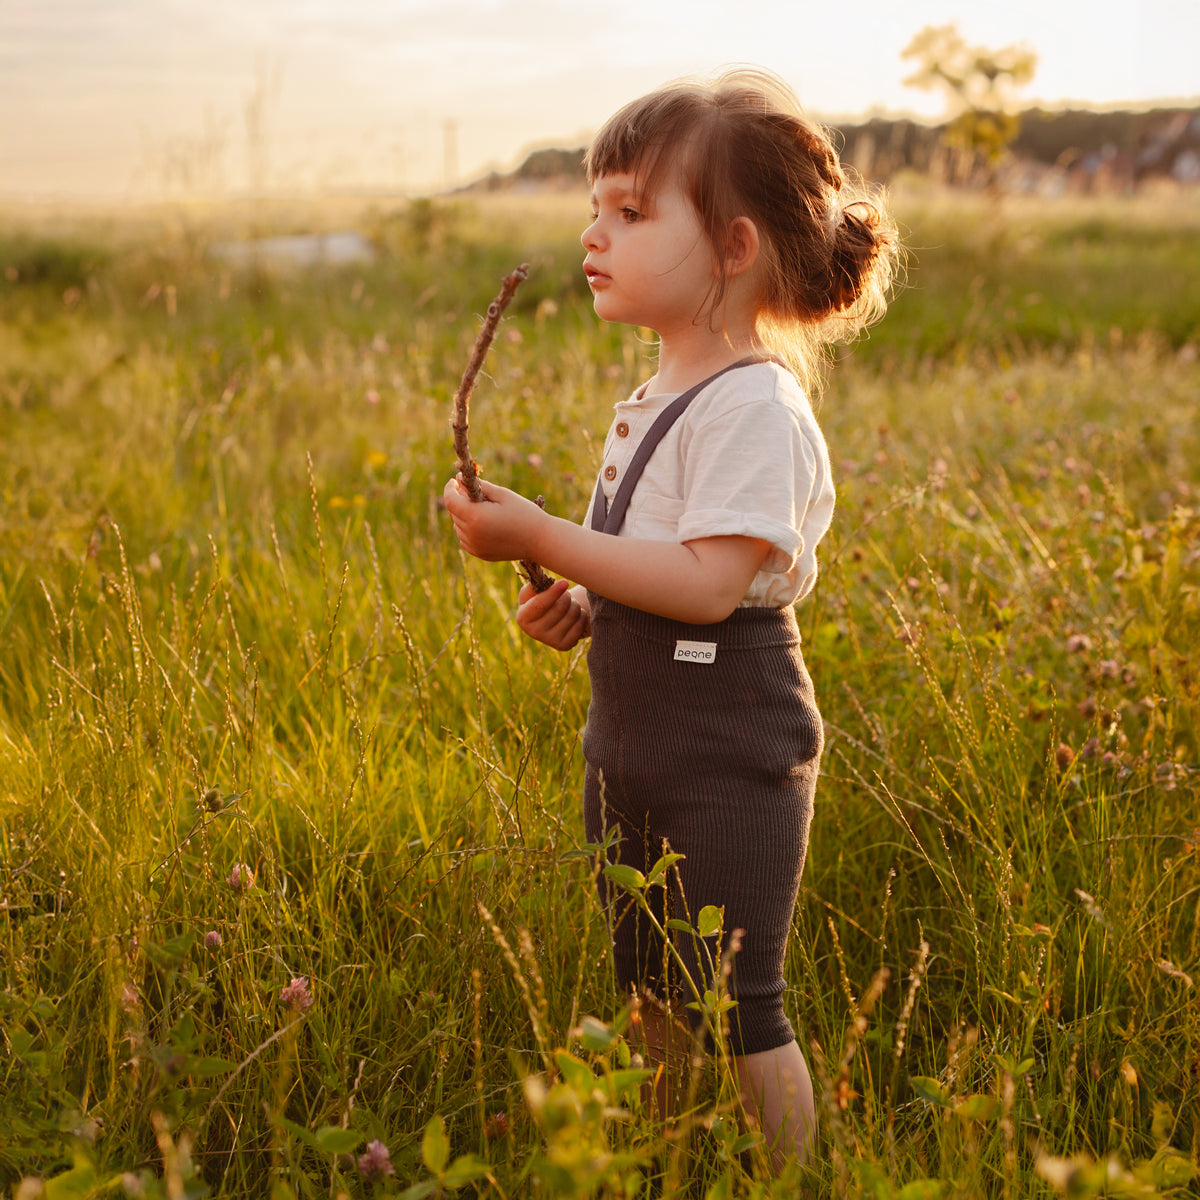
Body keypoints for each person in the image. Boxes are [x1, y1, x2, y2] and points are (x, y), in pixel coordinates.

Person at [444, 67, 898, 1170]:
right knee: (650, 990)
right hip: (635, 740)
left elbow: (706, 588)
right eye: (597, 205)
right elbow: (665, 565)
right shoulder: (659, 393)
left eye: (632, 211)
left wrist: (547, 536)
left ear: (735, 249)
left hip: (727, 747)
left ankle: (800, 1179)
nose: (593, 232)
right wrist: (589, 602)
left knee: (742, 1005)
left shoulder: (755, 404)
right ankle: (660, 1161)